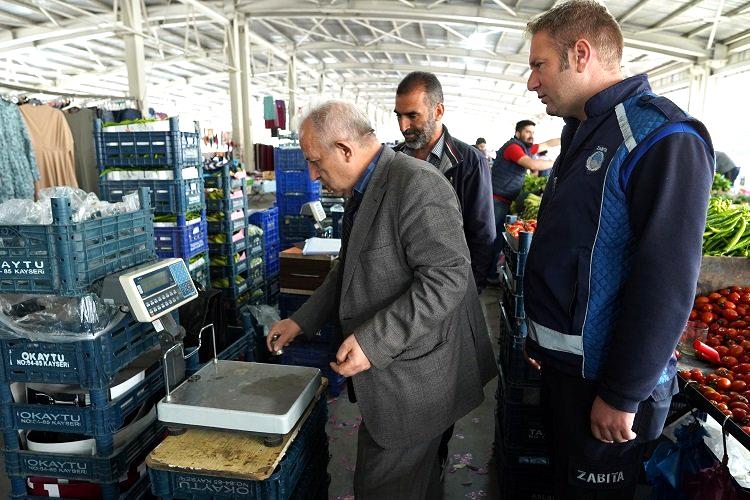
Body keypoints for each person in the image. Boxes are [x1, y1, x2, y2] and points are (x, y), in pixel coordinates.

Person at [522, 1, 714, 498]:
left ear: (580, 54)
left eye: (538, 65)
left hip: (605, 389)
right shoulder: (585, 132)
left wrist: (622, 393)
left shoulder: (660, 136)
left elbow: (667, 280)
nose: (531, 82)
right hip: (569, 372)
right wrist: (541, 337)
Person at [266, 100, 496, 499]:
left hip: (418, 379)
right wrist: (301, 320)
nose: (313, 174)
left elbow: (448, 277)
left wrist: (373, 342)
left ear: (344, 149)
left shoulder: (416, 184)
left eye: (316, 161)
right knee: (413, 484)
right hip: (400, 372)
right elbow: (349, 268)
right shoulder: (368, 187)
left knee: (384, 487)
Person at [393, 72, 496, 290]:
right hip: (400, 285)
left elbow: (482, 234)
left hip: (447, 286)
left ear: (438, 111)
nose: (403, 126)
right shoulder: (393, 161)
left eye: (412, 116)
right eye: (398, 116)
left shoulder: (469, 162)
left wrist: (469, 290)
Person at [487, 120, 559, 283]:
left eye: (533, 132)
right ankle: (487, 275)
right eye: (527, 132)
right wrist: (559, 162)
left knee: (497, 237)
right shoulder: (513, 147)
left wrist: (568, 138)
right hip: (496, 199)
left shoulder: (524, 146)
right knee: (493, 238)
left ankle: (488, 274)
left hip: (502, 199)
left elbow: (547, 143)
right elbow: (532, 163)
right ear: (518, 133)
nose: (531, 136)